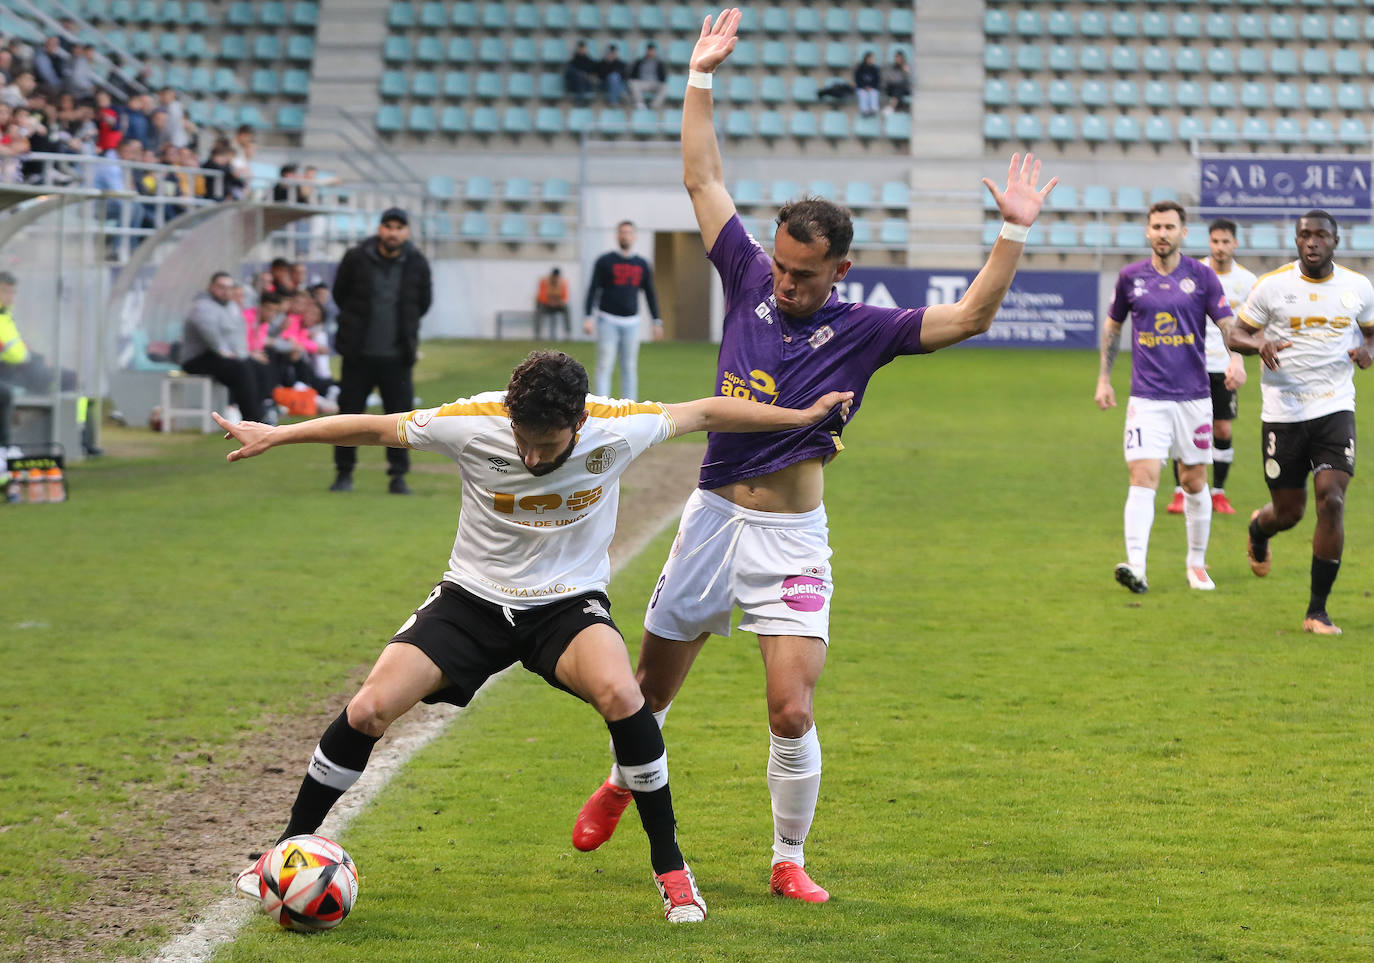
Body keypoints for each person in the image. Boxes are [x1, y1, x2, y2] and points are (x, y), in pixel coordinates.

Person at [570, 7, 1057, 905]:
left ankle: (787, 854)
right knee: (643, 689)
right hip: (712, 516)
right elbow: (701, 176)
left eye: (804, 273)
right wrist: (700, 75)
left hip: (792, 536)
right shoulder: (749, 274)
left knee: (790, 707)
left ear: (841, 268)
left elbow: (971, 318)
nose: (786, 283)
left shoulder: (869, 329)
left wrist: (1013, 232)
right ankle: (618, 778)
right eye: (782, 268)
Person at [222, 349, 854, 923]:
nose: (531, 459)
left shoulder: (617, 424)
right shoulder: (472, 419)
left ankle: (672, 868)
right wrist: (278, 434)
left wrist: (799, 416)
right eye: (523, 443)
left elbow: (705, 411)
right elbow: (374, 424)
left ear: (578, 423)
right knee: (368, 708)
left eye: (547, 448)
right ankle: (282, 852)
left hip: (566, 607)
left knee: (624, 698)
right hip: (471, 600)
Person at [1228, 211, 1374, 636]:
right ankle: (1260, 528)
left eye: (1320, 235)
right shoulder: (1272, 286)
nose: (1312, 242)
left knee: (1332, 500)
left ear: (1336, 240)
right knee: (1289, 513)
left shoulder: (1358, 287)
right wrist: (1259, 342)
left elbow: (1371, 332)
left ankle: (1317, 611)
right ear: (1296, 241)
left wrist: (1368, 350)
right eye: (1304, 236)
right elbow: (1235, 335)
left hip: (1334, 407)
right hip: (1284, 412)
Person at [1094, 201, 1238, 594]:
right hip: (1147, 397)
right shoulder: (1129, 278)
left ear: (1182, 233)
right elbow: (1112, 328)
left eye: (1169, 227)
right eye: (1156, 226)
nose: (1162, 233)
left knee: (1193, 481)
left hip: (1194, 397)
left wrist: (1236, 359)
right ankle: (1136, 566)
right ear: (1147, 232)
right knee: (1143, 476)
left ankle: (1195, 563)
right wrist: (1104, 379)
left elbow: (1227, 324)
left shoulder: (1203, 277)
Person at [329, 206, 433, 494]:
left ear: (407, 232)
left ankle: (398, 477)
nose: (393, 232)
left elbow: (423, 303)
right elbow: (340, 294)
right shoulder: (356, 258)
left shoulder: (417, 262)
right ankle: (344, 473)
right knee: (347, 416)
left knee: (400, 420)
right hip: (357, 355)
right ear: (379, 229)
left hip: (397, 357)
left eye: (399, 227)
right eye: (388, 226)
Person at [1166, 218, 1257, 517]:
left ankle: (1218, 492)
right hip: (1190, 362)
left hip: (1224, 365)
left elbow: (1250, 328)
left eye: (1225, 242)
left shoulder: (1247, 282)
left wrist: (1238, 358)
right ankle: (1180, 491)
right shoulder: (1191, 273)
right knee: (1182, 427)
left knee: (1221, 427)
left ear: (1235, 244)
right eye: (1215, 242)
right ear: (1209, 243)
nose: (1220, 247)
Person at [180, 271, 274, 424]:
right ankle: (252, 420)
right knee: (240, 368)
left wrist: (245, 354)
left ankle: (264, 410)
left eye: (229, 288)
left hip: (221, 356)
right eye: (221, 287)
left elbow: (237, 335)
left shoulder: (231, 306)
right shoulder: (202, 306)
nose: (225, 291)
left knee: (258, 366)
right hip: (198, 358)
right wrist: (231, 355)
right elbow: (211, 336)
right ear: (210, 287)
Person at [582, 221, 661, 400]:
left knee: (629, 366)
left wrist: (657, 320)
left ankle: (629, 407)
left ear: (634, 236)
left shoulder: (641, 264)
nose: (625, 236)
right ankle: (601, 405)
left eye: (628, 233)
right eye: (622, 232)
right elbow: (593, 289)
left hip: (631, 322)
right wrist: (588, 316)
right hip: (607, 320)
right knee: (604, 365)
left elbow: (650, 293)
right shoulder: (604, 261)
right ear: (617, 235)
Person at [535, 266, 571, 339]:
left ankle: (568, 333)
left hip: (557, 305)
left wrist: (558, 302)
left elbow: (564, 296)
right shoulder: (544, 281)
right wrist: (549, 301)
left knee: (566, 309)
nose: (555, 278)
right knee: (539, 311)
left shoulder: (562, 282)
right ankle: (537, 334)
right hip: (546, 304)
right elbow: (541, 296)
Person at [629, 42, 668, 110]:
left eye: (652, 50)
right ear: (647, 51)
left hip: (654, 83)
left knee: (665, 87)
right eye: (649, 50)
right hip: (642, 82)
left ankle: (654, 105)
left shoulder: (659, 62)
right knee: (632, 83)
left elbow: (663, 77)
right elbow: (633, 74)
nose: (650, 52)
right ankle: (640, 103)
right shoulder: (640, 61)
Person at [853, 51, 881, 116]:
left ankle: (874, 110)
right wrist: (864, 86)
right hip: (862, 88)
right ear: (865, 59)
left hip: (872, 88)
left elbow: (877, 80)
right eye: (869, 58)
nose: (871, 60)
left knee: (874, 93)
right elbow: (857, 80)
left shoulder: (875, 69)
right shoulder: (860, 68)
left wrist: (871, 87)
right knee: (863, 94)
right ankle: (864, 111)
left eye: (872, 59)